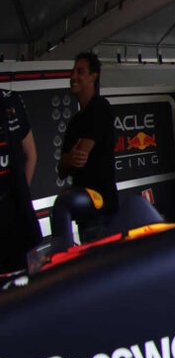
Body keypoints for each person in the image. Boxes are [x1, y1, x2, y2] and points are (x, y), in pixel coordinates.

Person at [51, 51, 118, 243]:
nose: (73, 77)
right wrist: (67, 160)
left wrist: (69, 159)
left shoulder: (100, 107)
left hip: (102, 212)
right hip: (85, 216)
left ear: (93, 77)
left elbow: (79, 158)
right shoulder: (75, 122)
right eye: (73, 72)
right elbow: (61, 170)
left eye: (80, 72)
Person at [0, 86, 39, 273]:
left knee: (27, 285)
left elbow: (31, 154)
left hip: (17, 217)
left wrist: (21, 192)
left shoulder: (10, 99)